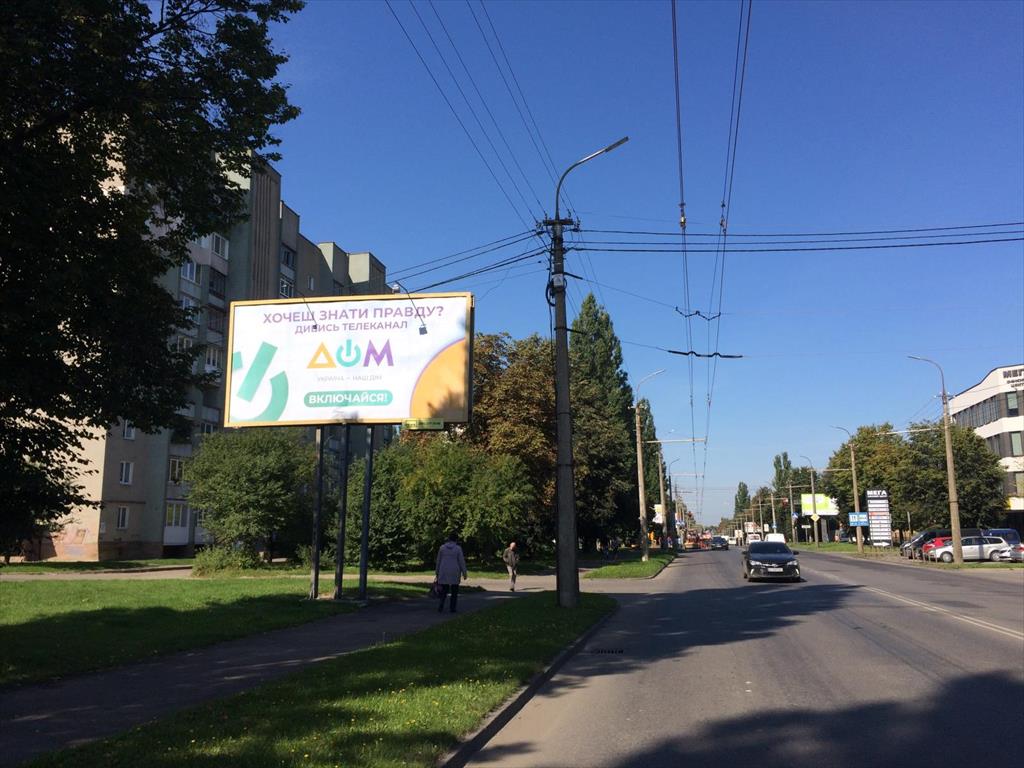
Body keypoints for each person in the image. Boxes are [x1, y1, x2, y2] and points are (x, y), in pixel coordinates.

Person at [435, 532, 468, 613]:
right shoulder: (458, 548)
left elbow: (438, 560)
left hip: (444, 570)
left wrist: (437, 571)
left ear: (448, 539)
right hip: (454, 571)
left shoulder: (442, 548)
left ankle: (441, 605)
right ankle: (452, 608)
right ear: (456, 539)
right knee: (454, 591)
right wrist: (464, 573)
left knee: (444, 590)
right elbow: (461, 561)